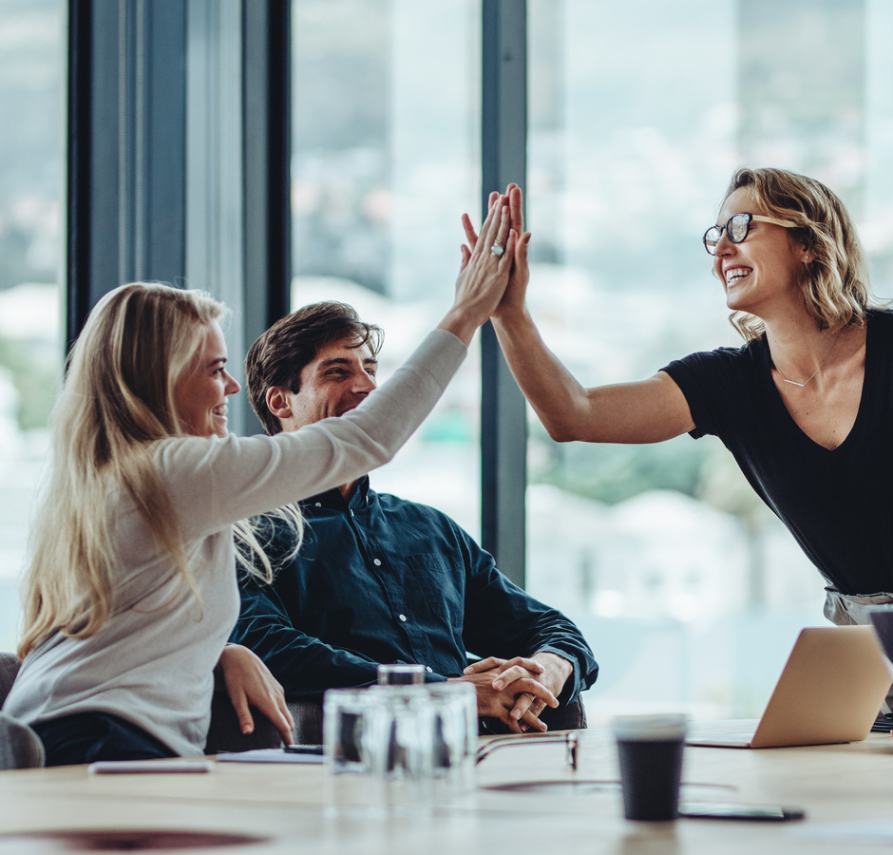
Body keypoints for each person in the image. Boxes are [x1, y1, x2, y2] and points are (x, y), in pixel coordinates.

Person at [1, 195, 516, 766]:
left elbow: (130, 625)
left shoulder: (113, 477)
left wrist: (221, 651)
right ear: (161, 378)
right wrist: (465, 315)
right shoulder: (170, 471)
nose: (232, 389)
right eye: (214, 369)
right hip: (101, 739)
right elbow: (366, 439)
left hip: (62, 730)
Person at [463, 171, 893, 629]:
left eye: (741, 226)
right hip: (865, 647)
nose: (721, 249)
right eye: (715, 235)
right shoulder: (729, 383)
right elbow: (574, 414)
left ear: (807, 243)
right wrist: (509, 314)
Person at [232, 302, 598, 735]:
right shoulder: (246, 531)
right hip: (343, 762)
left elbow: (550, 627)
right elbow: (266, 646)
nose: (368, 386)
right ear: (281, 401)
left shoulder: (430, 528)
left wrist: (548, 669)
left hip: (477, 758)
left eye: (370, 369)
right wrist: (441, 690)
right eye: (337, 372)